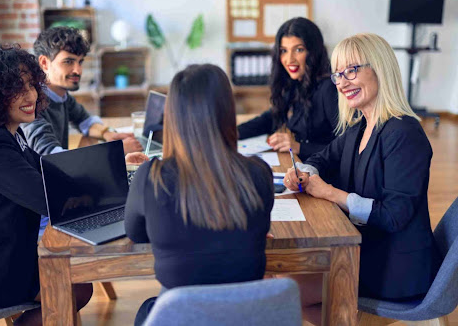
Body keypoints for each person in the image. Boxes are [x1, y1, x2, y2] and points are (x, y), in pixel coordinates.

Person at [283, 33, 442, 325]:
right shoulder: (359, 128)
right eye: (337, 75)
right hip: (368, 251)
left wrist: (330, 193)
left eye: (351, 70)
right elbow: (320, 160)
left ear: (379, 68)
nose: (342, 82)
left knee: (287, 289)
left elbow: (395, 215)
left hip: (397, 266)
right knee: (286, 281)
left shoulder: (404, 134)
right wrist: (305, 173)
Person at [0, 45, 93, 324]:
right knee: (74, 284)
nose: (31, 96)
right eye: (17, 89)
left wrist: (118, 165)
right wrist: (96, 193)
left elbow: (51, 170)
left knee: (78, 281)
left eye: (31, 85)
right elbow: (49, 200)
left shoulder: (7, 133)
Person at [124, 64, 275, 325]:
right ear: (228, 112)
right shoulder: (259, 174)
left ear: (173, 117)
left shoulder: (149, 177)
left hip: (181, 316)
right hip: (245, 317)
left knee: (148, 310)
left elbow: (137, 234)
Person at [22, 26, 142, 156]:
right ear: (44, 63)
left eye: (80, 62)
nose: (78, 70)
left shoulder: (62, 96)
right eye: (68, 62)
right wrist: (116, 150)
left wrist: (108, 134)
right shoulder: (31, 106)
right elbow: (53, 157)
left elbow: (85, 121)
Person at [238, 17, 338, 161]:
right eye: (284, 50)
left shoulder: (329, 88)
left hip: (326, 176)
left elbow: (346, 146)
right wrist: (235, 132)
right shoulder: (296, 83)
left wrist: (299, 147)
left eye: (299, 49)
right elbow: (272, 117)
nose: (289, 59)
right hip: (304, 168)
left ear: (313, 52)